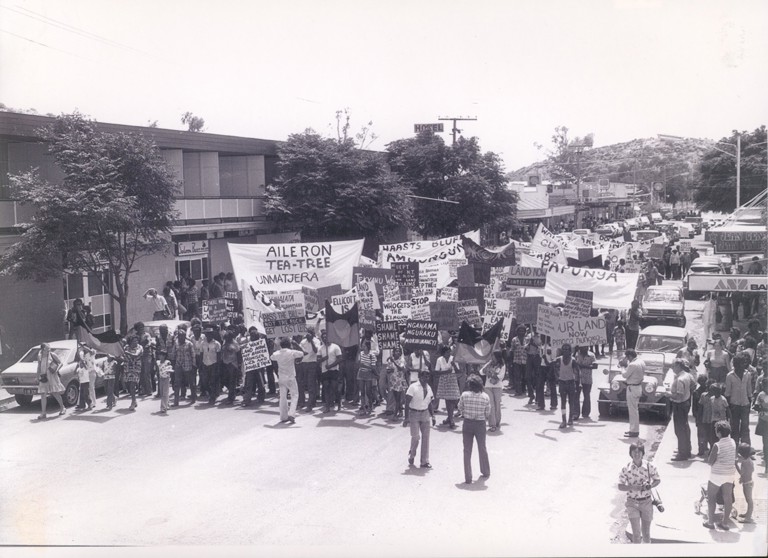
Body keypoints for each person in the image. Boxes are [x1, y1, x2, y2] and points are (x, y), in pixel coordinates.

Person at [618, 442, 661, 544]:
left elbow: (657, 480)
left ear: (643, 453)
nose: (637, 454)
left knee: (646, 534)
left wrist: (650, 486)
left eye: (639, 452)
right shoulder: (626, 468)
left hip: (646, 502)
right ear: (631, 453)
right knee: (636, 535)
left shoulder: (649, 466)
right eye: (634, 452)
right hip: (632, 503)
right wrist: (633, 487)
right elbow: (620, 486)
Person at [703, 420, 737, 531]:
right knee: (728, 498)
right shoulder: (733, 442)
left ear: (719, 433)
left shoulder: (717, 445)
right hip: (730, 474)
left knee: (711, 497)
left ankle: (710, 522)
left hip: (717, 474)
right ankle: (725, 523)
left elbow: (710, 461)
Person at [459, 374, 491, 484]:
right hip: (480, 424)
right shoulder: (485, 397)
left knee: (467, 450)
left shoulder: (464, 395)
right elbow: (487, 413)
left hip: (467, 423)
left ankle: (468, 477)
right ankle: (485, 471)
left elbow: (460, 408)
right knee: (482, 447)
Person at [404, 369, 436, 469]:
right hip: (414, 414)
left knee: (426, 438)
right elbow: (407, 403)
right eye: (423, 376)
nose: (425, 378)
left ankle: (424, 461)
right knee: (416, 437)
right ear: (419, 377)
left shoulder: (429, 388)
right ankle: (412, 454)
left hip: (425, 414)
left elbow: (430, 402)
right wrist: (406, 418)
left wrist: (433, 415)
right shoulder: (413, 387)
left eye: (427, 376)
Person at [270, 337, 305, 424]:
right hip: (290, 377)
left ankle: (283, 417)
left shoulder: (277, 353)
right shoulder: (292, 352)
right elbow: (302, 353)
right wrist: (296, 344)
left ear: (281, 345)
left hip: (281, 377)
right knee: (295, 395)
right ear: (289, 344)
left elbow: (271, 357)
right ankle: (292, 414)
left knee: (283, 397)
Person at [725, 352, 753, 446]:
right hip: (734, 405)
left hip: (745, 404)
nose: (744, 365)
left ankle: (746, 448)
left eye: (744, 362)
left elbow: (749, 390)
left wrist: (749, 402)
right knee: (734, 427)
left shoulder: (747, 374)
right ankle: (735, 448)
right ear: (736, 364)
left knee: (745, 427)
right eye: (741, 363)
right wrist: (728, 407)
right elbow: (728, 392)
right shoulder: (730, 376)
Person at [669, 358, 695, 461]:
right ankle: (686, 449)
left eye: (673, 366)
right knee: (685, 427)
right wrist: (688, 394)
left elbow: (678, 396)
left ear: (678, 366)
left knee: (679, 430)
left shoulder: (680, 379)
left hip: (679, 405)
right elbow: (694, 385)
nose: (672, 368)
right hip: (686, 403)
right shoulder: (687, 375)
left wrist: (667, 395)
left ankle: (682, 453)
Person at [36, 342, 65, 419]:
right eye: (47, 348)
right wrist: (37, 376)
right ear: (43, 349)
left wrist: (57, 370)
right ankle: (43, 413)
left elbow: (61, 363)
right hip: (43, 377)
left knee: (55, 392)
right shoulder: (40, 356)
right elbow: (39, 367)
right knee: (43, 394)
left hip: (52, 376)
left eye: (49, 348)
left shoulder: (52, 355)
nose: (49, 349)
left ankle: (62, 408)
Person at [620, 349, 646, 438]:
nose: (627, 359)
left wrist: (622, 367)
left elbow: (624, 375)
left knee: (633, 411)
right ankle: (633, 429)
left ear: (630, 356)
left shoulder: (632, 364)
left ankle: (634, 431)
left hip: (632, 387)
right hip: (637, 387)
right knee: (634, 410)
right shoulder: (641, 361)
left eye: (627, 357)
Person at [554, 343, 580, 429]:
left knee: (571, 402)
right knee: (563, 402)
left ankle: (570, 418)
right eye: (563, 349)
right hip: (562, 383)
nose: (565, 351)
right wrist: (544, 358)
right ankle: (564, 420)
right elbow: (550, 365)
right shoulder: (558, 359)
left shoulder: (573, 361)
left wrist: (578, 384)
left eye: (567, 349)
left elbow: (577, 373)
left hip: (571, 383)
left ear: (570, 351)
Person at [434, 346, 461, 428]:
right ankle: (451, 419)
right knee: (447, 399)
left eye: (449, 352)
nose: (449, 354)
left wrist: (454, 365)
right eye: (447, 352)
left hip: (452, 379)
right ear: (443, 353)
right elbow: (436, 372)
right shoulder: (439, 359)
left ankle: (449, 417)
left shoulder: (453, 358)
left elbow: (458, 372)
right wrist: (446, 372)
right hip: (444, 380)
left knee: (453, 399)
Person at [318, 330, 343, 413]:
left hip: (334, 370)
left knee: (335, 388)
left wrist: (331, 365)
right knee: (326, 388)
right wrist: (324, 359)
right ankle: (327, 406)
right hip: (324, 371)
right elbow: (318, 360)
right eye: (323, 337)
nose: (325, 339)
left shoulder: (335, 347)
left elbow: (340, 359)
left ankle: (339, 402)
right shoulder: (321, 348)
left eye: (326, 337)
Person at [297, 327, 321, 412]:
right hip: (303, 364)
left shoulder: (316, 341)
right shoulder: (303, 341)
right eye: (308, 332)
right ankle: (302, 402)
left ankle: (310, 404)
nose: (309, 334)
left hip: (312, 364)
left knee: (311, 384)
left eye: (311, 332)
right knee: (301, 383)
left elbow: (315, 351)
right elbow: (300, 351)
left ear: (313, 333)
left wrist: (311, 341)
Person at [173, 328, 197, 406]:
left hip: (188, 365)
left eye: (182, 336)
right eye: (179, 336)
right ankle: (176, 402)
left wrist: (194, 365)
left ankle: (193, 398)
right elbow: (174, 354)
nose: (181, 338)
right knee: (177, 384)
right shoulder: (176, 343)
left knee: (191, 383)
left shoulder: (189, 344)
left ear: (185, 336)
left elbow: (193, 355)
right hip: (178, 365)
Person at [483, 350, 505, 432]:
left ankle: (497, 422)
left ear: (497, 357)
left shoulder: (502, 365)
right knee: (491, 405)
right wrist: (486, 367)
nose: (492, 358)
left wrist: (492, 374)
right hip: (488, 386)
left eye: (493, 356)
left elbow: (500, 376)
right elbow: (481, 372)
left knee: (497, 404)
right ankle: (492, 424)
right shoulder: (489, 363)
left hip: (497, 386)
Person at [356, 339, 379, 416]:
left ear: (367, 346)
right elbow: (357, 363)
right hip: (361, 373)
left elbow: (373, 367)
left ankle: (370, 406)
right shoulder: (361, 354)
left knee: (368, 392)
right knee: (362, 392)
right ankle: (363, 407)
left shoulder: (371, 355)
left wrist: (364, 365)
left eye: (364, 345)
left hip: (368, 374)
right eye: (362, 345)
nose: (363, 346)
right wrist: (358, 353)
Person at [574, 345, 597, 420]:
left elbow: (595, 366)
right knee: (576, 396)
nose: (585, 349)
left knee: (586, 395)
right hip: (577, 378)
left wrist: (582, 366)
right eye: (583, 347)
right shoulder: (577, 354)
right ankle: (576, 413)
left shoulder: (591, 355)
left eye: (586, 347)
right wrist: (575, 351)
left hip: (587, 379)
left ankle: (585, 413)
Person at [735, 443, 756, 524]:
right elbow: (749, 471)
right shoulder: (749, 460)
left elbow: (741, 472)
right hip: (748, 482)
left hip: (747, 484)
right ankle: (748, 514)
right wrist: (742, 478)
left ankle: (748, 518)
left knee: (749, 500)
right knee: (748, 499)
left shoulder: (744, 462)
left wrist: (736, 465)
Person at [385, 347, 407, 419]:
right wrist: (390, 370)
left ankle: (395, 415)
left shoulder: (402, 360)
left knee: (397, 398)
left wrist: (393, 361)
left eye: (399, 351)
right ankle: (400, 411)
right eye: (396, 351)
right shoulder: (390, 360)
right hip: (393, 381)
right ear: (393, 352)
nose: (397, 353)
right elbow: (388, 370)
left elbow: (400, 368)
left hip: (399, 381)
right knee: (396, 398)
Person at [200, 329, 221, 405]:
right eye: (207, 334)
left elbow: (219, 356)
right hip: (205, 364)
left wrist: (218, 366)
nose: (208, 336)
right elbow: (201, 354)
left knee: (213, 381)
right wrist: (201, 364)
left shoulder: (217, 344)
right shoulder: (203, 343)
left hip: (213, 364)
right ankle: (212, 393)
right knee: (204, 381)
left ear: (212, 335)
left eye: (210, 334)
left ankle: (212, 397)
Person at [220, 331, 241, 405]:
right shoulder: (225, 343)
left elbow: (238, 354)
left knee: (232, 381)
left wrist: (239, 365)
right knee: (225, 380)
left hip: (233, 364)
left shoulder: (235, 344)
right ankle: (233, 392)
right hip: (225, 363)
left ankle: (231, 397)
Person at [122, 335, 143, 411]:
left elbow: (136, 355)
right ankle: (134, 399)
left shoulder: (139, 347)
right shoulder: (126, 347)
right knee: (128, 385)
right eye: (134, 341)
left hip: (136, 368)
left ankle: (133, 401)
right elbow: (122, 355)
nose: (136, 342)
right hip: (127, 368)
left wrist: (127, 353)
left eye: (137, 341)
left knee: (132, 384)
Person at [75, 344, 96, 412]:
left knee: (90, 388)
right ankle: (82, 404)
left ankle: (92, 403)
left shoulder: (92, 351)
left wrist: (83, 346)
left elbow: (91, 352)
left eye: (84, 346)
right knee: (83, 390)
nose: (83, 348)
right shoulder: (82, 354)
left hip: (91, 371)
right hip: (85, 374)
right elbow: (80, 363)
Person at [753, 377, 768, 476]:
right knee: (766, 444)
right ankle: (767, 466)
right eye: (764, 386)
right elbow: (756, 406)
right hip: (764, 421)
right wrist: (759, 408)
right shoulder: (761, 395)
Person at [509, 325, 528, 395]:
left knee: (524, 376)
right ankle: (518, 391)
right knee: (517, 376)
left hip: (525, 360)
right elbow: (511, 350)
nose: (521, 332)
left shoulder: (527, 339)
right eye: (520, 331)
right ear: (517, 331)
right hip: (516, 360)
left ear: (525, 332)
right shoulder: (514, 339)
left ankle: (523, 389)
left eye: (523, 331)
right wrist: (510, 361)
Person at [156, 349, 173, 414]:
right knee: (162, 392)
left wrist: (167, 371)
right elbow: (157, 370)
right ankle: (167, 404)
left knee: (165, 393)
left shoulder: (167, 362)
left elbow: (170, 370)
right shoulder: (158, 362)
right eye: (160, 355)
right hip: (161, 378)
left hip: (166, 378)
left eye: (162, 355)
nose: (161, 356)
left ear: (165, 356)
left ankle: (163, 407)